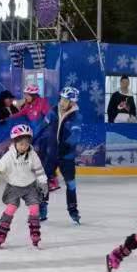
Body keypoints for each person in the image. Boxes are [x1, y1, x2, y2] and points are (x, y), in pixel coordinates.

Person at [0, 124, 48, 248]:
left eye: (27, 144)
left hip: (30, 186)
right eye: (21, 144)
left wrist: (43, 182)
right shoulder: (8, 157)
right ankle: (2, 233)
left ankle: (35, 232)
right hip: (13, 187)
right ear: (14, 142)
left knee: (34, 208)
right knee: (11, 208)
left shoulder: (32, 154)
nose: (24, 147)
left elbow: (39, 170)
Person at [55, 86, 82, 223]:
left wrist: (64, 147)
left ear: (72, 102)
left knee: (71, 184)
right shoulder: (54, 111)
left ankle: (73, 210)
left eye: (66, 100)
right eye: (61, 99)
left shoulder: (76, 117)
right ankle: (41, 208)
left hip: (66, 156)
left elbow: (75, 136)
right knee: (43, 181)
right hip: (52, 153)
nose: (62, 102)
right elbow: (43, 127)